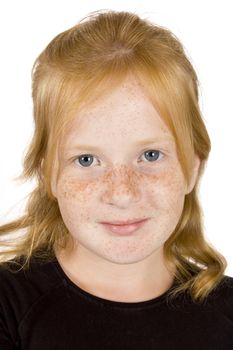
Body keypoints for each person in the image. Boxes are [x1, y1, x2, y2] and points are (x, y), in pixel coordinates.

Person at [0, 9, 232, 349]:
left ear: (191, 167)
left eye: (150, 156)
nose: (122, 193)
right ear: (47, 172)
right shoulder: (8, 308)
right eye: (87, 160)